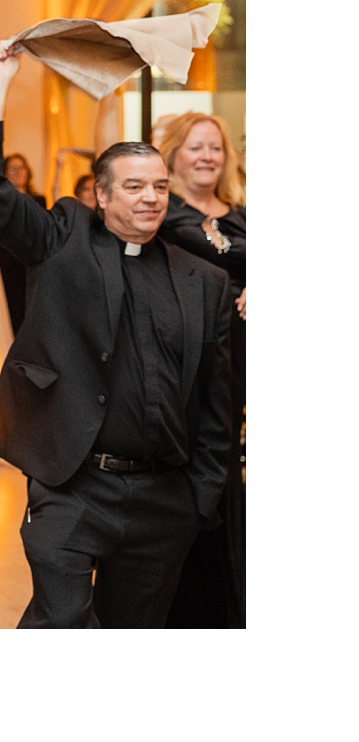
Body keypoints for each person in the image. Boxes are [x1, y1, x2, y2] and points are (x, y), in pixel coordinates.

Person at [0, 39, 232, 628]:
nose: (151, 198)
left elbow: (215, 404)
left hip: (165, 502)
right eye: (134, 186)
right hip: (73, 489)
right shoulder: (63, 240)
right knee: (64, 625)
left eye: (160, 187)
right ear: (101, 194)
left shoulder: (202, 281)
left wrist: (199, 499)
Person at [156, 111, 246, 627]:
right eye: (196, 147)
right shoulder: (166, 214)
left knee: (225, 469)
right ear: (173, 155)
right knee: (188, 473)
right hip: (186, 367)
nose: (208, 156)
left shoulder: (240, 217)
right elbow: (216, 256)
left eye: (215, 147)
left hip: (237, 366)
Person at [0, 153, 46, 332]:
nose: (18, 172)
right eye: (12, 169)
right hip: (7, 258)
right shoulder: (0, 203)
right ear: (5, 174)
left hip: (31, 259)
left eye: (21, 168)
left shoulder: (38, 200)